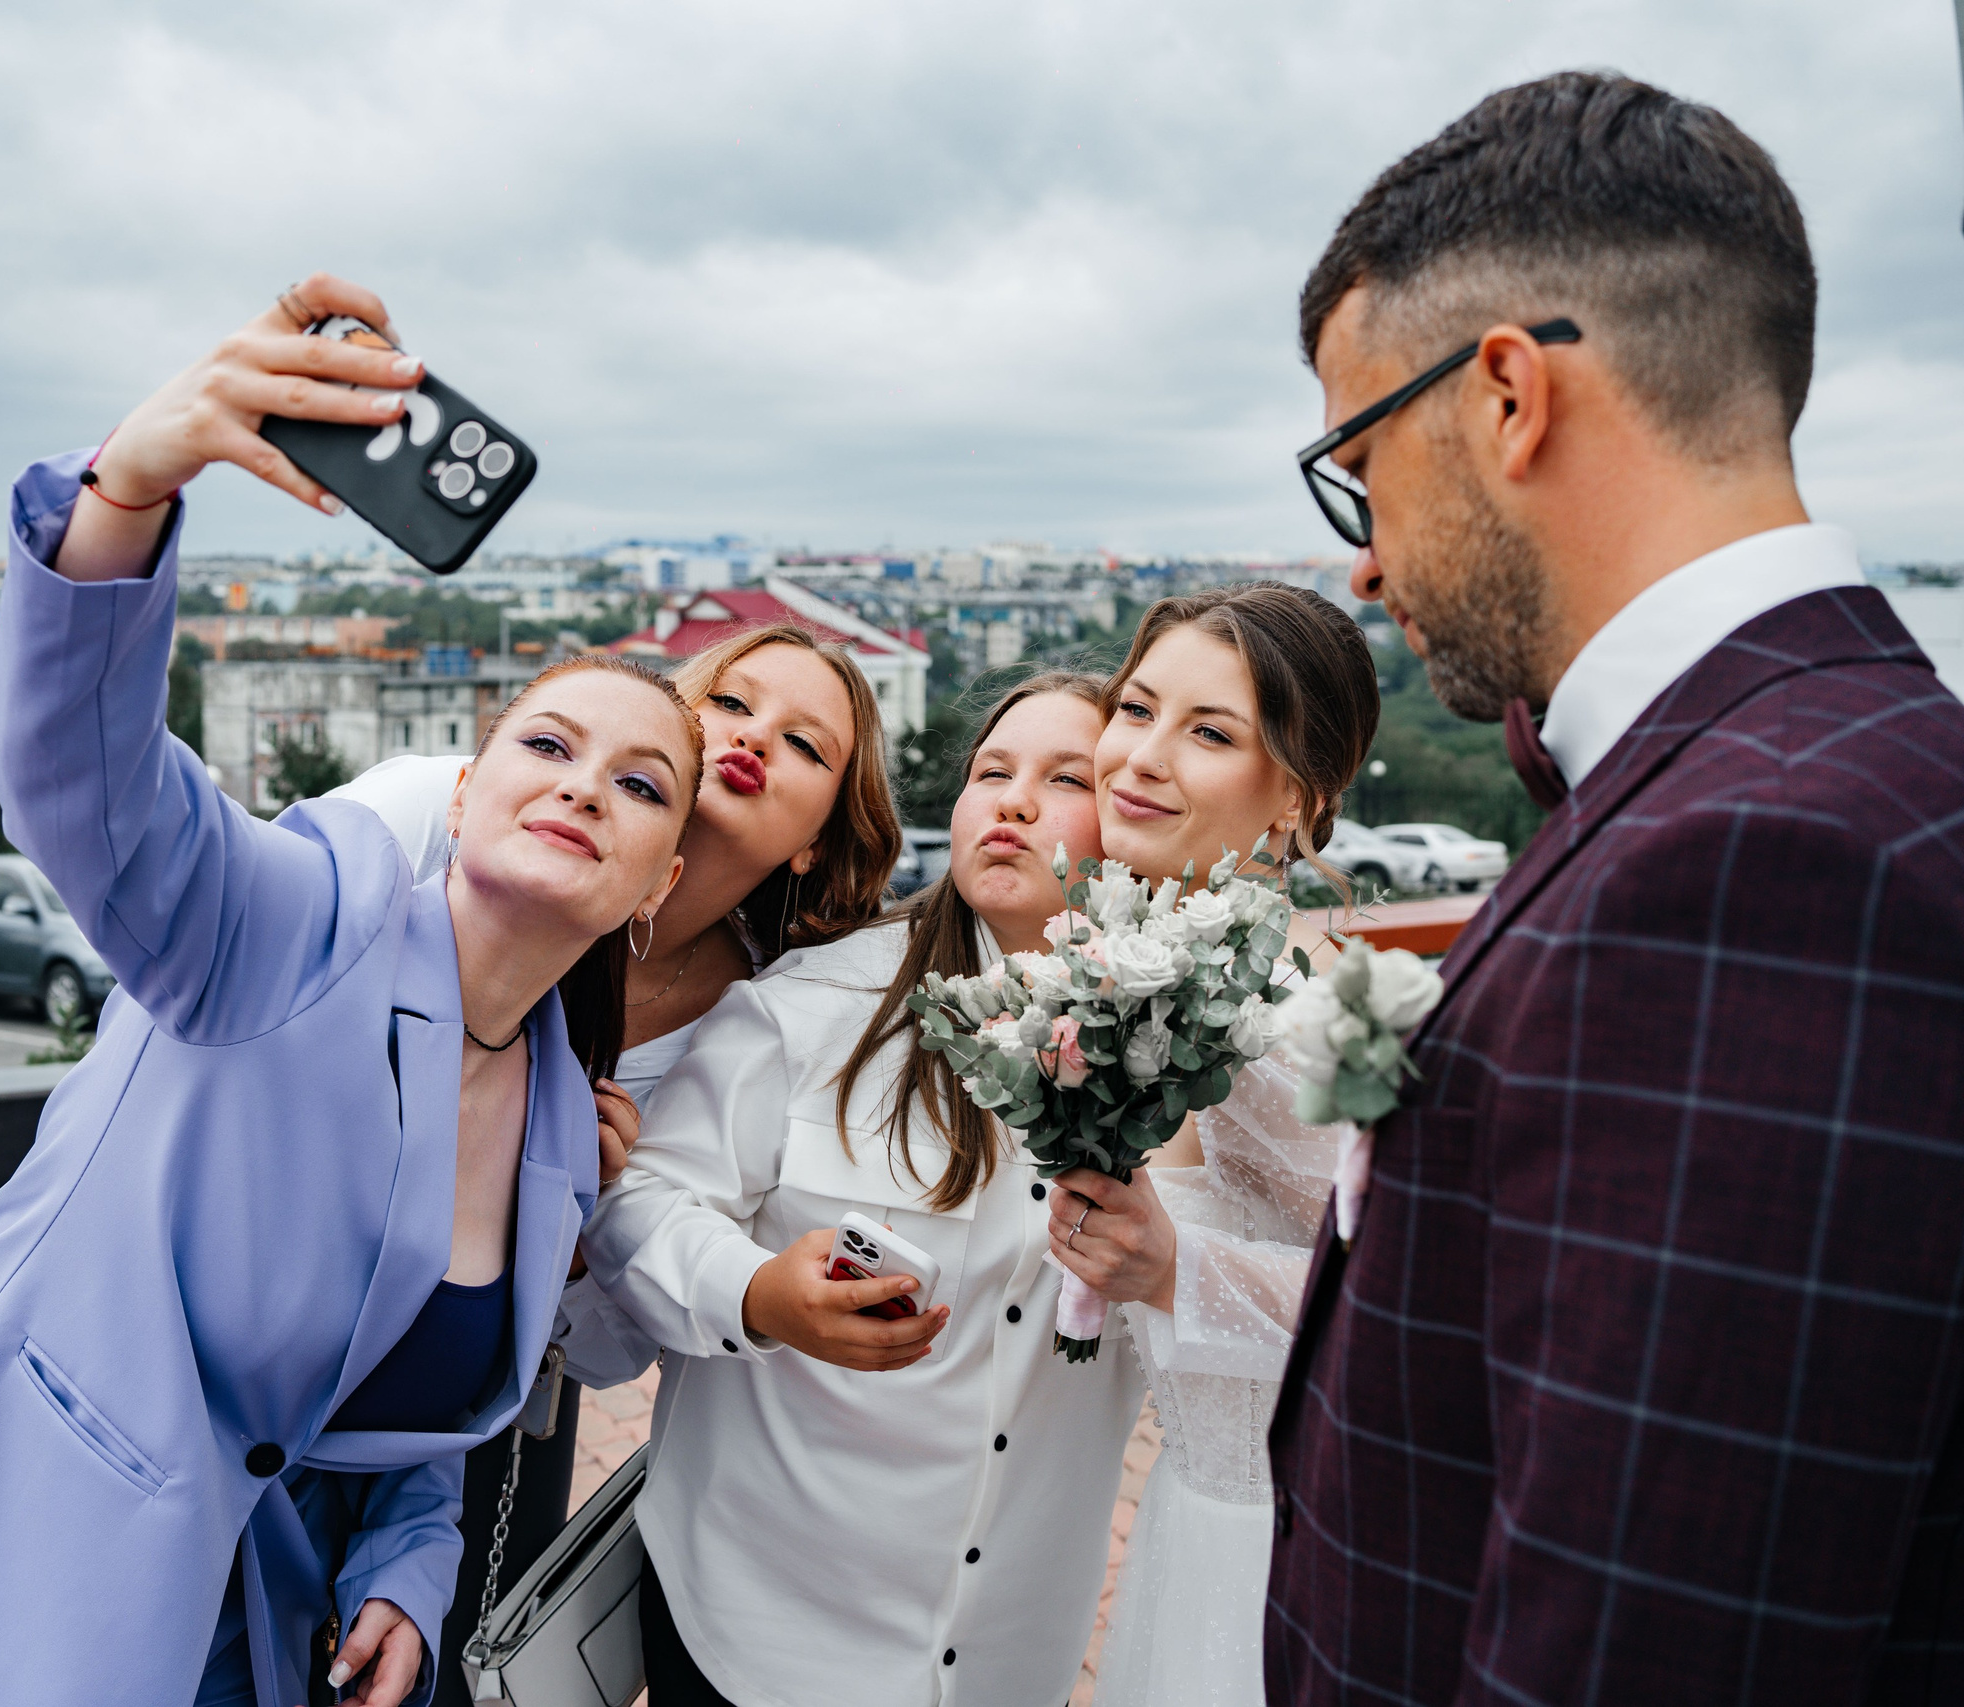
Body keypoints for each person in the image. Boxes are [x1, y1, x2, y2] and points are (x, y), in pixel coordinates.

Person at [0, 277, 702, 1707]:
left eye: (638, 782)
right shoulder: (296, 924)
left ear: (661, 878)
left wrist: (406, 1575)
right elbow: (88, 784)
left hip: (238, 1652)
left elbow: (408, 1412)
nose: (580, 785)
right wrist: (134, 480)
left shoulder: (563, 1124)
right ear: (468, 782)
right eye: (546, 742)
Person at [1263, 73, 1964, 1703]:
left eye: (1361, 464)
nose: (1363, 560)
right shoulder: (1829, 766)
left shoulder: (1758, 873)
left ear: (1507, 394)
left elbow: (1650, 1639)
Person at [328, 620, 902, 1705]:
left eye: (805, 745)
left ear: (816, 843)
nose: (754, 739)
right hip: (277, 1344)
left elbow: (604, 1355)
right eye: (732, 704)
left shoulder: (752, 1028)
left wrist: (573, 1238)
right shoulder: (460, 808)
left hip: (480, 1417)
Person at [580, 672, 1155, 1707]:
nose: (1012, 802)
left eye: (1065, 778)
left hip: (1008, 1653)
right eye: (990, 772)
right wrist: (760, 1295)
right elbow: (638, 1205)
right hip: (756, 1625)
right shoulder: (812, 1004)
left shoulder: (1183, 1059)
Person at [1032, 583, 1379, 1704]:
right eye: (1134, 709)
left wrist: (1179, 1269)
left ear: (1297, 796)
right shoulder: (1143, 960)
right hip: (1192, 1523)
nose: (1139, 758)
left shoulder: (1306, 1026)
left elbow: (1425, 1307)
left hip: (1306, 1556)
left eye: (1210, 733)